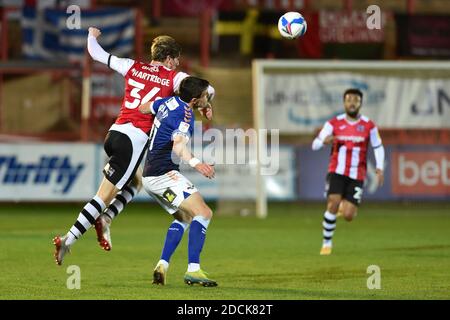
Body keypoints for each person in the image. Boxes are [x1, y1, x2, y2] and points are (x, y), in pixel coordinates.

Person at [53, 27, 214, 265]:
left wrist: (92, 36)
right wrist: (206, 103)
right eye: (176, 59)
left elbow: (96, 53)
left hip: (115, 133)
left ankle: (106, 220)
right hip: (134, 140)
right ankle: (68, 240)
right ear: (169, 58)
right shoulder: (174, 78)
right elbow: (207, 89)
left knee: (137, 181)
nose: (177, 63)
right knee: (103, 197)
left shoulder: (132, 66)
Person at [139, 76, 217, 287]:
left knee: (184, 218)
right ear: (194, 99)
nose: (206, 97)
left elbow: (144, 108)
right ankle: (194, 269)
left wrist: (204, 106)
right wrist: (197, 163)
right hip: (163, 175)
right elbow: (178, 146)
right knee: (203, 212)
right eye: (203, 96)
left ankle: (162, 265)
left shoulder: (167, 101)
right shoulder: (184, 116)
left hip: (150, 175)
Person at [311, 88, 385, 256]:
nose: (352, 102)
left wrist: (380, 167)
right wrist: (324, 141)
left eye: (356, 100)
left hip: (357, 175)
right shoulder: (333, 123)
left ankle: (343, 207)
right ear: (344, 102)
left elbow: (378, 146)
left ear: (360, 103)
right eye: (349, 99)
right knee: (332, 203)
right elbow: (314, 145)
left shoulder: (369, 125)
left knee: (349, 216)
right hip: (337, 171)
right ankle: (326, 243)